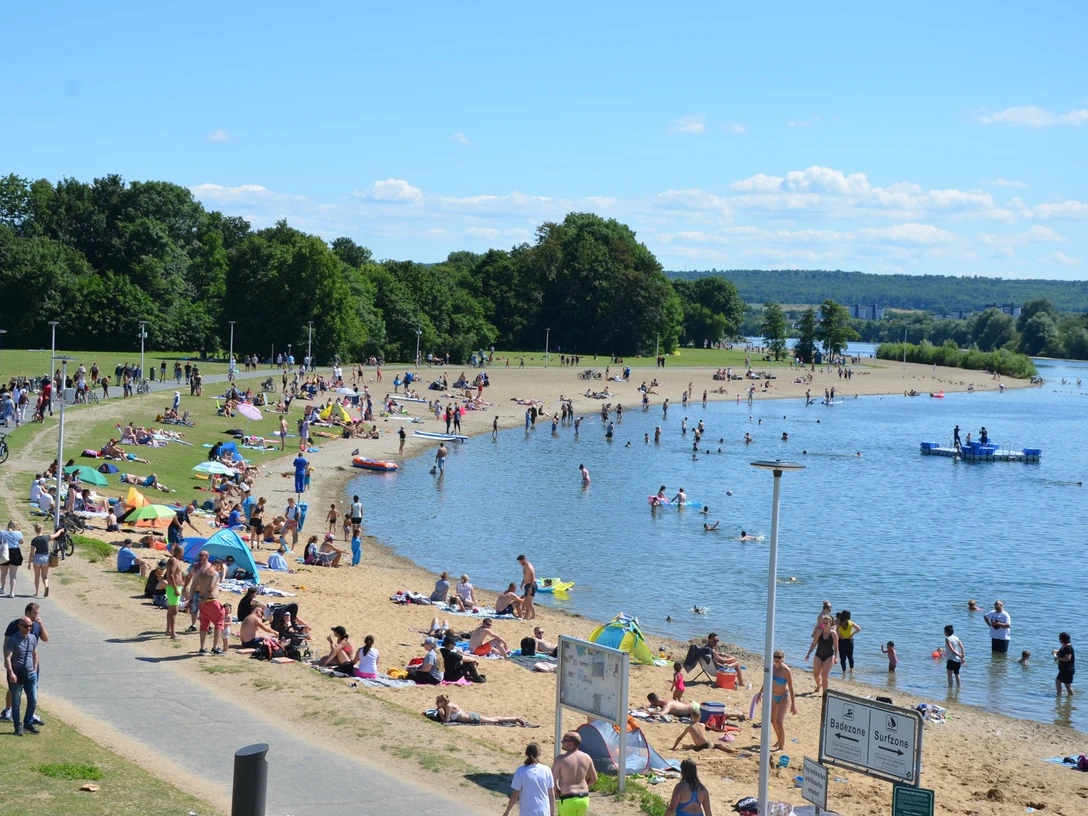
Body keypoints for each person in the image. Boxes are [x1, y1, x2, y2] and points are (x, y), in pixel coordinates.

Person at [1, 603, 48, 725]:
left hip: (31, 665)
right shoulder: (14, 625)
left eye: (38, 613)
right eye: (35, 613)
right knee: (13, 689)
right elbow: (6, 646)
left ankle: (31, 716)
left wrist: (41, 625)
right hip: (16, 665)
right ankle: (8, 710)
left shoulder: (36, 626)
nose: (37, 616)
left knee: (33, 690)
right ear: (27, 612)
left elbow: (45, 639)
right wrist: (8, 665)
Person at [3, 616, 39, 736]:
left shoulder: (33, 638)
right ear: (19, 626)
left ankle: (28, 723)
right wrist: (11, 672)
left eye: (30, 626)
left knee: (33, 700)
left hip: (30, 674)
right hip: (17, 675)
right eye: (26, 626)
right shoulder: (13, 639)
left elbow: (34, 654)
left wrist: (34, 669)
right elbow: (7, 657)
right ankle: (18, 726)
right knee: (16, 702)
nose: (28, 628)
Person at [552, 731, 597, 816]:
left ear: (570, 744)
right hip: (584, 798)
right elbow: (594, 778)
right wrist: (582, 785)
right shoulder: (587, 757)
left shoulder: (560, 759)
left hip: (568, 798)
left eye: (564, 740)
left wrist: (557, 790)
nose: (562, 742)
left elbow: (552, 780)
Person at [503, 742, 555, 816]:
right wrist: (552, 813)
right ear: (539, 754)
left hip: (527, 812)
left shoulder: (520, 771)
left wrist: (507, 811)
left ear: (526, 754)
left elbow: (515, 795)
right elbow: (551, 794)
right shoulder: (546, 770)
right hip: (544, 811)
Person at [192, 550, 225, 655]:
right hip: (210, 600)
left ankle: (202, 647)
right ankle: (215, 647)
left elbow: (194, 585)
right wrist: (205, 599)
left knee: (204, 624)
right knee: (219, 623)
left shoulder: (202, 572)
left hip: (202, 600)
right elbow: (210, 587)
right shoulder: (214, 574)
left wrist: (193, 599)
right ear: (218, 566)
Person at [764, 650, 797, 751]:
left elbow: (791, 687)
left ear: (782, 658)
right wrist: (759, 693)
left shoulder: (785, 670)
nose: (777, 659)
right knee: (773, 721)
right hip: (773, 696)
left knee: (779, 721)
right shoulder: (771, 668)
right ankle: (779, 739)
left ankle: (781, 747)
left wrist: (793, 705)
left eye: (779, 657)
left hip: (783, 696)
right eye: (775, 657)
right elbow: (765, 681)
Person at [806, 614, 838, 693]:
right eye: (824, 622)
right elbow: (814, 643)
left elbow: (836, 647)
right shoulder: (819, 632)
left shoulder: (833, 634)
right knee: (816, 674)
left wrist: (836, 657)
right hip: (819, 654)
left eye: (827, 622)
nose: (825, 624)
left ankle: (824, 693)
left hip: (829, 656)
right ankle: (818, 685)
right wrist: (808, 653)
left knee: (824, 676)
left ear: (830, 623)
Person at [29, 524, 63, 598]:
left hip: (37, 557)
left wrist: (29, 563)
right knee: (44, 576)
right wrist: (60, 530)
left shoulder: (34, 540)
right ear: (42, 530)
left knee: (37, 576)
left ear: (35, 531)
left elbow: (32, 552)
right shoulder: (46, 537)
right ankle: (46, 586)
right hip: (45, 557)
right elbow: (56, 535)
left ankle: (37, 592)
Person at [1, 521, 24, 598]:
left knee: (4, 573)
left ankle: (3, 588)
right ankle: (12, 592)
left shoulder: (2, 532)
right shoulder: (18, 533)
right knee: (13, 574)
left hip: (5, 552)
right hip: (15, 552)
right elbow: (21, 542)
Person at [836, 609, 862, 676]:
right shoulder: (851, 623)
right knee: (850, 656)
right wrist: (852, 634)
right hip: (849, 641)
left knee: (842, 657)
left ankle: (844, 671)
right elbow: (859, 629)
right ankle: (851, 670)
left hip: (842, 640)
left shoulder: (839, 623)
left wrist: (840, 635)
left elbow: (836, 630)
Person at [1054, 632, 1075, 696]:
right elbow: (1062, 652)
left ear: (1063, 639)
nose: (1059, 640)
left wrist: (1058, 658)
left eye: (1060, 638)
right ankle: (1059, 694)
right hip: (1063, 669)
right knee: (1058, 681)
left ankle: (1071, 697)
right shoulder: (1064, 646)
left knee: (1067, 685)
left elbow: (1067, 658)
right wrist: (1056, 651)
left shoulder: (1068, 648)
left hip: (1068, 669)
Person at [517, 554, 537, 621]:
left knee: (529, 602)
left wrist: (530, 587)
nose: (520, 563)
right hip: (527, 585)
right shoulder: (524, 566)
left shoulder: (529, 567)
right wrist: (522, 583)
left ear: (523, 560)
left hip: (532, 585)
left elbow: (533, 577)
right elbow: (525, 576)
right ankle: (526, 616)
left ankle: (533, 617)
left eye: (520, 562)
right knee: (525, 601)